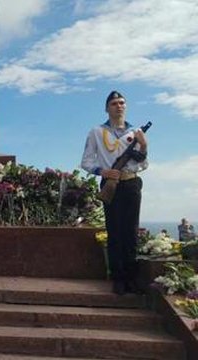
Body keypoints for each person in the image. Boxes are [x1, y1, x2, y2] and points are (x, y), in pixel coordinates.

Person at [81, 90, 148, 295]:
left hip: (131, 183)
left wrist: (143, 145)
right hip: (111, 184)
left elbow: (143, 163)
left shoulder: (136, 132)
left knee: (131, 231)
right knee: (115, 231)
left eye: (122, 102)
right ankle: (118, 278)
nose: (119, 106)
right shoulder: (96, 132)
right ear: (107, 108)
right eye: (114, 103)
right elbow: (86, 162)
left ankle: (131, 278)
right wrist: (103, 171)